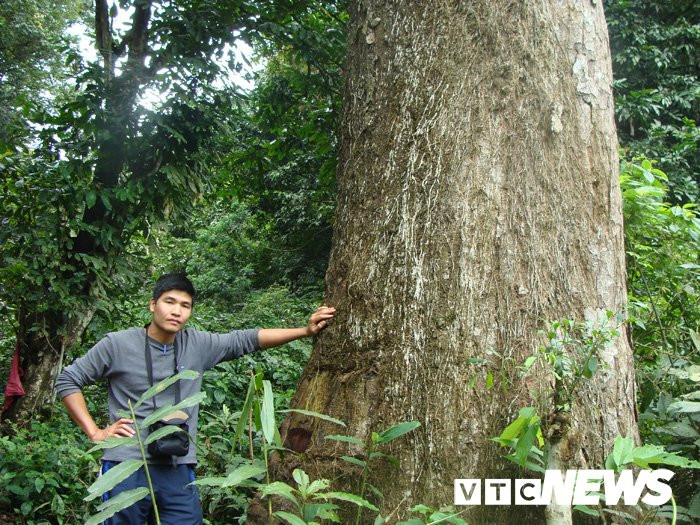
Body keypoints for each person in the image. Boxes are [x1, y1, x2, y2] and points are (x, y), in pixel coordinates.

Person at [56, 273, 335, 524]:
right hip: (126, 463)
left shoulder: (197, 345)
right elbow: (68, 379)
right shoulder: (117, 344)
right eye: (169, 302)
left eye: (185, 306)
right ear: (153, 305)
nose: (176, 311)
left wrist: (305, 331)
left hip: (177, 465)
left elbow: (247, 339)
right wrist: (95, 432)